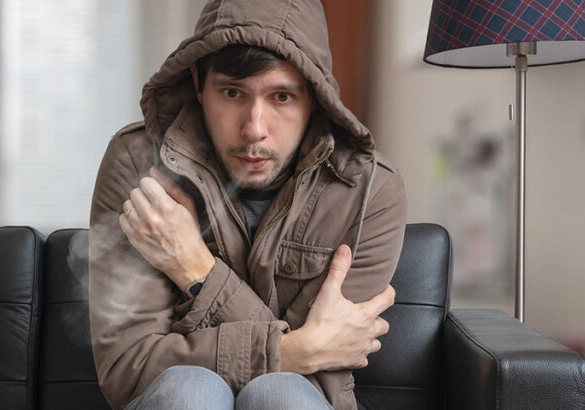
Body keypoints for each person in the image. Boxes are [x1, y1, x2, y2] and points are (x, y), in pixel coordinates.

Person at [88, 0, 407, 409]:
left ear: (315, 96)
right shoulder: (137, 162)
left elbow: (321, 379)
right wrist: (292, 351)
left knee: (282, 395)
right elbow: (128, 368)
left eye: (282, 97)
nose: (254, 129)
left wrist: (194, 267)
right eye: (232, 92)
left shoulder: (368, 189)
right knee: (190, 389)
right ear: (198, 82)